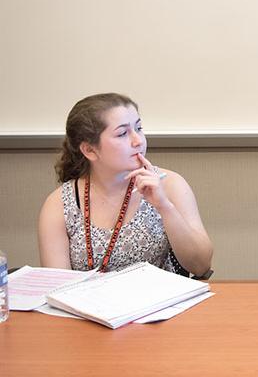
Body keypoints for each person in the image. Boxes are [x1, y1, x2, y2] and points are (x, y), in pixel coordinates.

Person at [38, 93, 213, 277]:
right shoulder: (60, 203)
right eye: (122, 133)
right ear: (89, 150)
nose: (138, 140)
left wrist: (164, 206)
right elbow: (57, 285)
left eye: (139, 128)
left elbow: (201, 266)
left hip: (157, 302)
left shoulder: (169, 184)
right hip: (91, 304)